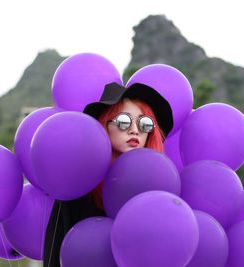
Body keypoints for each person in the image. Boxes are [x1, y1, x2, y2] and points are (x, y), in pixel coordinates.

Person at [43, 82, 173, 267]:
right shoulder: (77, 190)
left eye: (144, 123)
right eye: (124, 121)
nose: (135, 130)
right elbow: (54, 255)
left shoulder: (158, 189)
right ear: (104, 124)